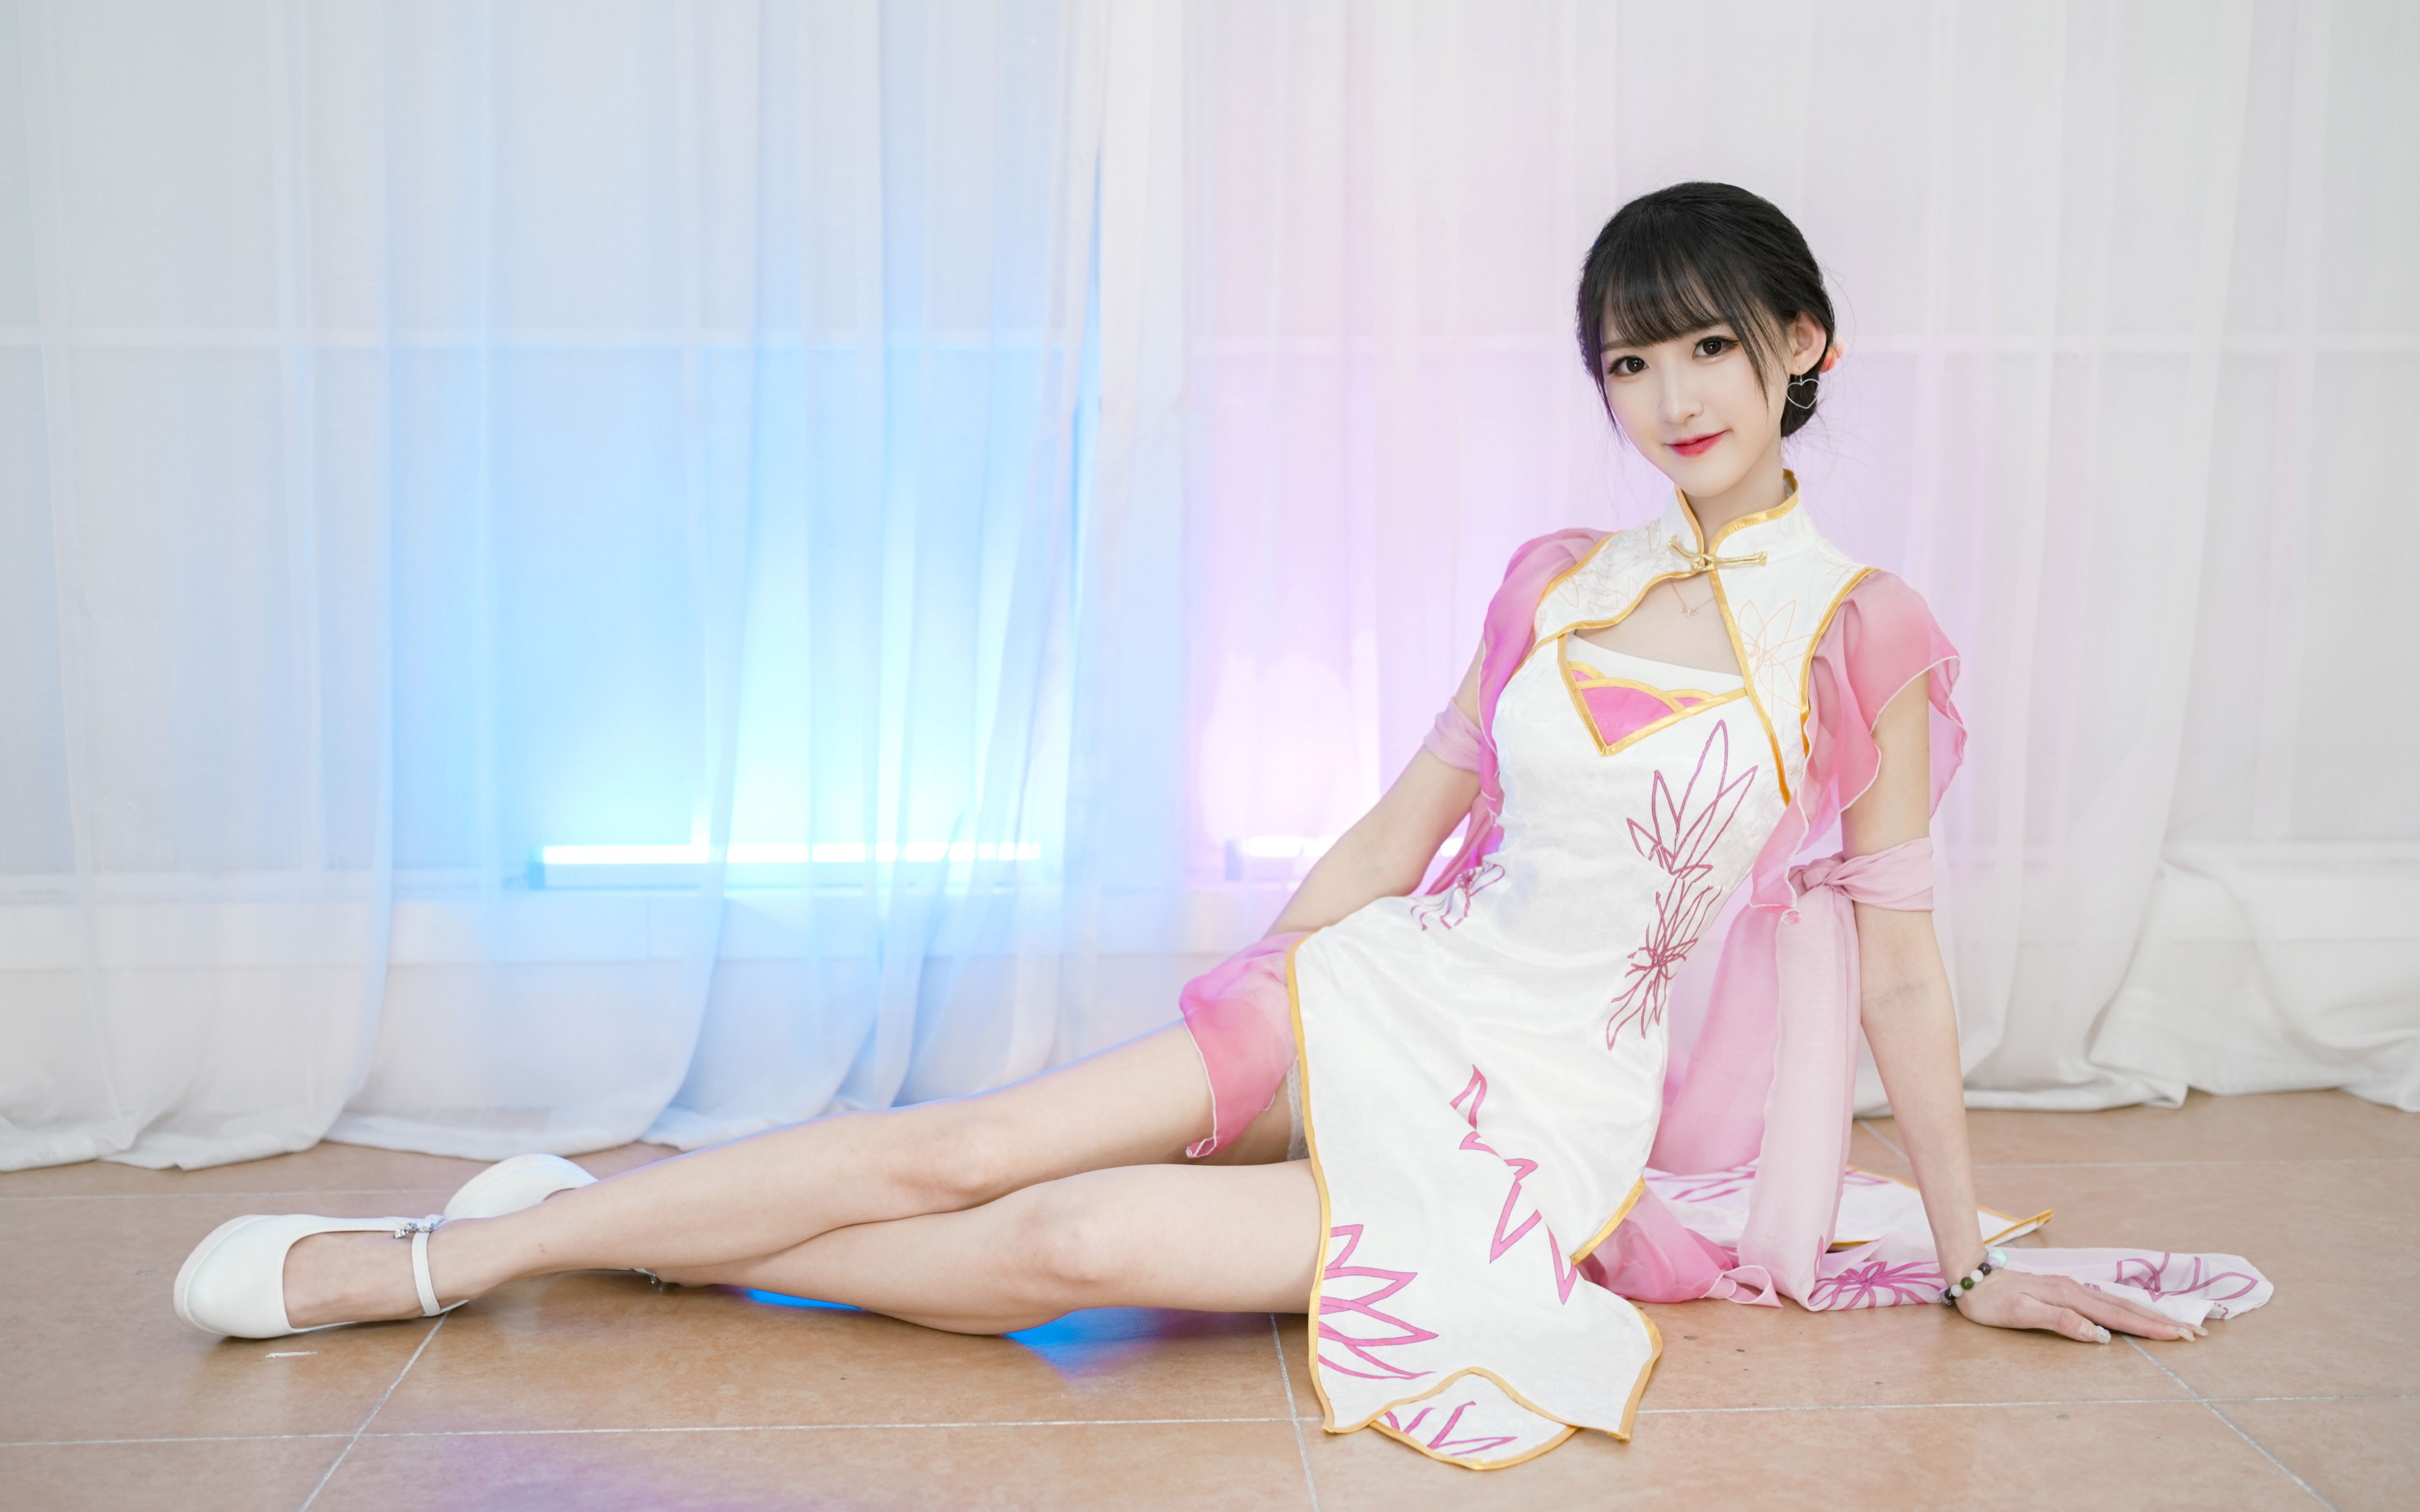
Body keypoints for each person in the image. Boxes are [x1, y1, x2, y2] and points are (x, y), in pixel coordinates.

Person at [173, 182, 2262, 1471]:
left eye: (1709, 343)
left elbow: (1894, 963)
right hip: (1385, 988)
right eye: (1630, 359)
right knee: (973, 1144)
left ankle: (621, 1235)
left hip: (1541, 1115)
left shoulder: (1863, 633)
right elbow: (1403, 823)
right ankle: (442, 1257)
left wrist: (1968, 1242)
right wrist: (1269, 988)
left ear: (1800, 348)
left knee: (1069, 1250)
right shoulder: (1554, 578)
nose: (1670, 393)